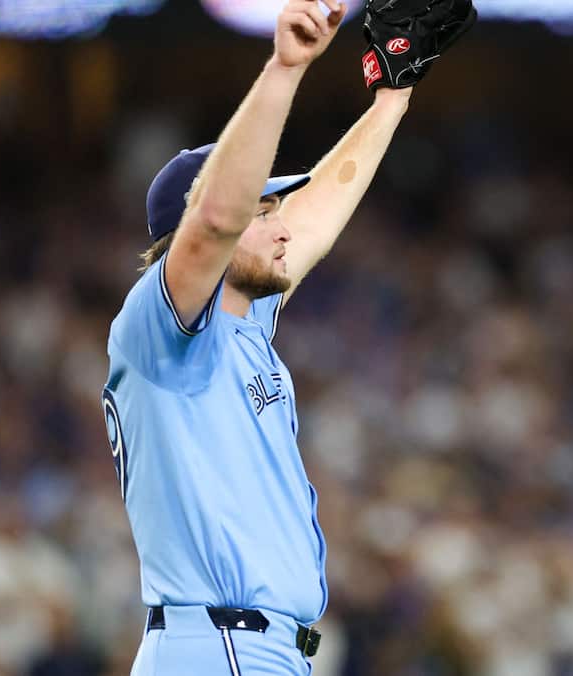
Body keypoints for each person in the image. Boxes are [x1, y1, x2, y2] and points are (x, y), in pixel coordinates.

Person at [99, 0, 473, 673]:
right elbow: (214, 218)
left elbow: (316, 215)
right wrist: (284, 69)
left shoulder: (244, 318)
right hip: (219, 645)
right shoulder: (160, 332)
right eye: (261, 211)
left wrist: (392, 97)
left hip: (253, 648)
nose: (280, 227)